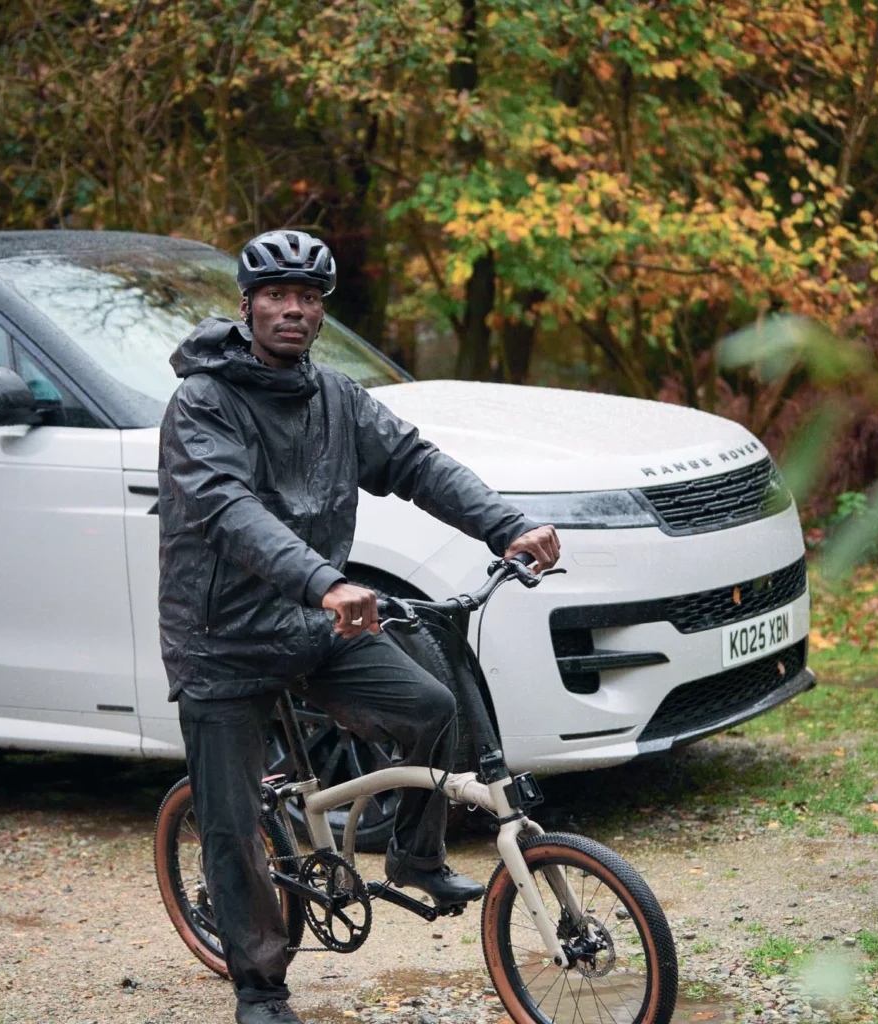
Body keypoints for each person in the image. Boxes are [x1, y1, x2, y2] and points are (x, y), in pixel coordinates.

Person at [157, 229, 560, 1024]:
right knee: (234, 829)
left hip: (312, 622)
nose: (294, 310)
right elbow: (232, 512)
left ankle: (414, 857)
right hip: (223, 641)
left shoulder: (336, 398)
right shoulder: (202, 403)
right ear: (246, 307)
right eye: (277, 295)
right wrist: (325, 580)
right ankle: (261, 988)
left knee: (432, 708)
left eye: (309, 298)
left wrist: (505, 524)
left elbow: (416, 463)